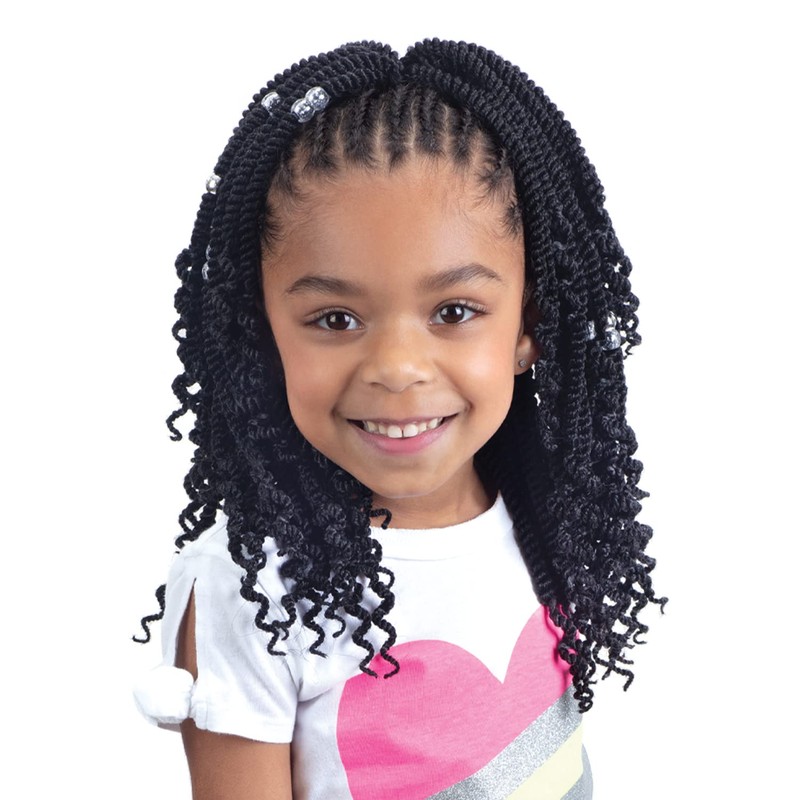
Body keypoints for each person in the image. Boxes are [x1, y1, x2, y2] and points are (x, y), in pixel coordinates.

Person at [133, 39, 665, 800]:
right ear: (262, 334)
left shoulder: (548, 512)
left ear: (530, 324)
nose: (396, 366)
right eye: (336, 318)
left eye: (454, 311)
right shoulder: (250, 586)